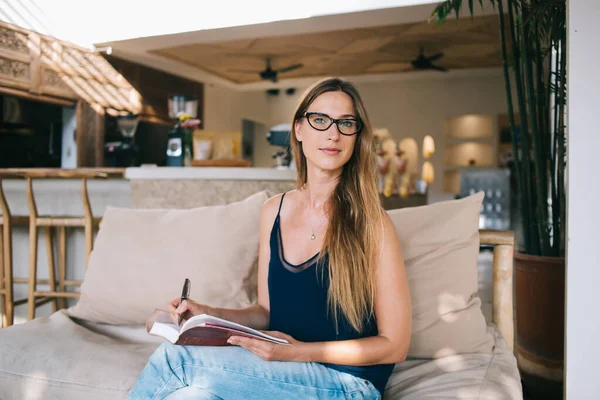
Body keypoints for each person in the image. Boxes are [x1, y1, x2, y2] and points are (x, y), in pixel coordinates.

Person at [128, 77, 412, 400]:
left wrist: (298, 352)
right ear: (299, 130)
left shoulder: (374, 224)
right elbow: (266, 312)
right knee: (189, 397)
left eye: (346, 123)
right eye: (320, 120)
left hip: (350, 385)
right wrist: (206, 312)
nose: (333, 133)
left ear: (357, 135)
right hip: (282, 375)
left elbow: (395, 345)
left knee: (175, 360)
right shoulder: (272, 212)